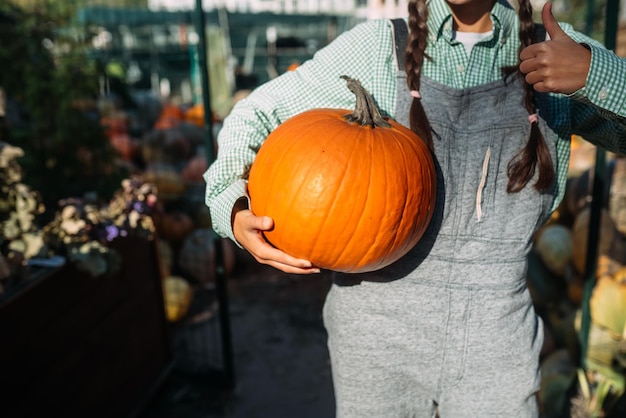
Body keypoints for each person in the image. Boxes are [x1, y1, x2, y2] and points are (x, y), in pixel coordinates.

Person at [204, 0, 626, 416]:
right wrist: (233, 206)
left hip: (495, 345)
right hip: (374, 342)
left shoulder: (556, 51)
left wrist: (596, 77)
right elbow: (255, 114)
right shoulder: (377, 48)